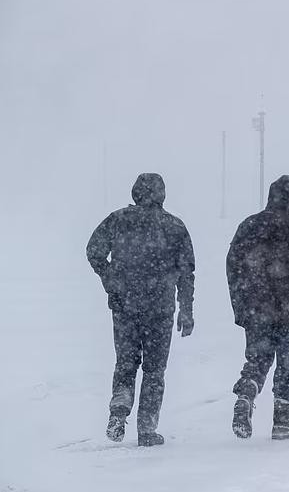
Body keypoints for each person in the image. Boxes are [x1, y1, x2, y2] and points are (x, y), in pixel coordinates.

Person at [86, 173, 195, 447]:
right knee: (154, 370)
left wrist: (111, 278)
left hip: (125, 305)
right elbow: (186, 272)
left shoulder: (119, 219)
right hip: (160, 308)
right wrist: (186, 308)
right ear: (162, 194)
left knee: (125, 363)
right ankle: (146, 429)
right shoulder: (174, 226)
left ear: (135, 192)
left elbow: (94, 250)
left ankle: (119, 406)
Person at [227, 175, 289, 440]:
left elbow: (233, 266)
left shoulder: (248, 227)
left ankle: (246, 394)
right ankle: (282, 418)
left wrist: (241, 304)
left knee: (257, 359)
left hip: (257, 308)